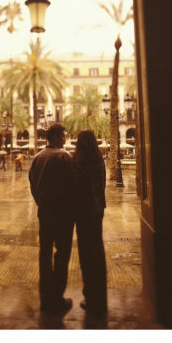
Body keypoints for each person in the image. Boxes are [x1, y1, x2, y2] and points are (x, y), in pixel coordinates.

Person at [29, 124, 74, 314]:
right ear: (55, 137)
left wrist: (40, 200)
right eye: (63, 136)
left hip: (45, 210)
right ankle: (58, 296)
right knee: (62, 252)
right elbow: (73, 183)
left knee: (45, 251)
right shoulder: (63, 156)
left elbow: (32, 183)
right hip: (62, 211)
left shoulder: (37, 157)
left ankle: (45, 294)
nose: (64, 139)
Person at [72, 129, 107, 316]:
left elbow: (75, 186)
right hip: (98, 209)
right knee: (98, 252)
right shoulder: (99, 158)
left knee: (86, 254)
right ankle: (100, 296)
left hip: (84, 211)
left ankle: (91, 298)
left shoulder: (80, 160)